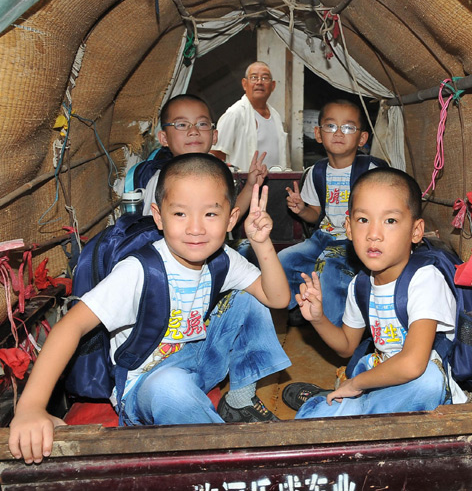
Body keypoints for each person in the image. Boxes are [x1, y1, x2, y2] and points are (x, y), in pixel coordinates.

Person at [9, 153, 291, 464]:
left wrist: (262, 243)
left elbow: (276, 298)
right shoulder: (140, 271)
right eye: (180, 214)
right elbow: (70, 326)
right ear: (158, 216)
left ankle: (239, 400)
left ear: (231, 219)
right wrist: (31, 407)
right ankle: (230, 461)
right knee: (171, 386)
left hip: (196, 361)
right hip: (147, 385)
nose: (195, 228)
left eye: (210, 214)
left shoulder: (223, 257)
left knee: (248, 299)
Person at [283, 167, 467, 420]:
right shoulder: (361, 284)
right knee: (363, 372)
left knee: (427, 380)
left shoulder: (425, 280)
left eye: (390, 221)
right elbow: (347, 345)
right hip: (378, 374)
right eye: (362, 220)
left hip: (418, 386)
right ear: (348, 227)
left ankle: (339, 410)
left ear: (416, 231)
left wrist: (355, 385)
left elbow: (413, 364)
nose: (374, 234)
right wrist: (318, 319)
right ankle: (349, 412)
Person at [278, 99, 387, 327]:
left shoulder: (372, 172)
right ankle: (299, 305)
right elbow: (316, 215)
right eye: (330, 126)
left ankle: (339, 328)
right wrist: (301, 209)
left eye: (348, 127)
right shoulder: (317, 172)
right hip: (322, 237)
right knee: (284, 260)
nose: (338, 133)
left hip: (351, 241)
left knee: (328, 270)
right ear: (318, 134)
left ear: (362, 138)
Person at [141, 94, 268, 217]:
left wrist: (251, 186)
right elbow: (149, 230)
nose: (194, 131)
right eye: (182, 125)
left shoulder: (220, 173)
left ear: (214, 135)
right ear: (164, 138)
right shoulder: (161, 181)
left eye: (202, 124)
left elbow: (227, 219)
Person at [212, 61, 288, 171]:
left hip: (274, 184)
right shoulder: (234, 114)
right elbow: (216, 155)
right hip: (244, 185)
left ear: (273, 86)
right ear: (244, 84)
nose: (259, 82)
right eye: (254, 77)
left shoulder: (275, 116)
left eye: (265, 78)